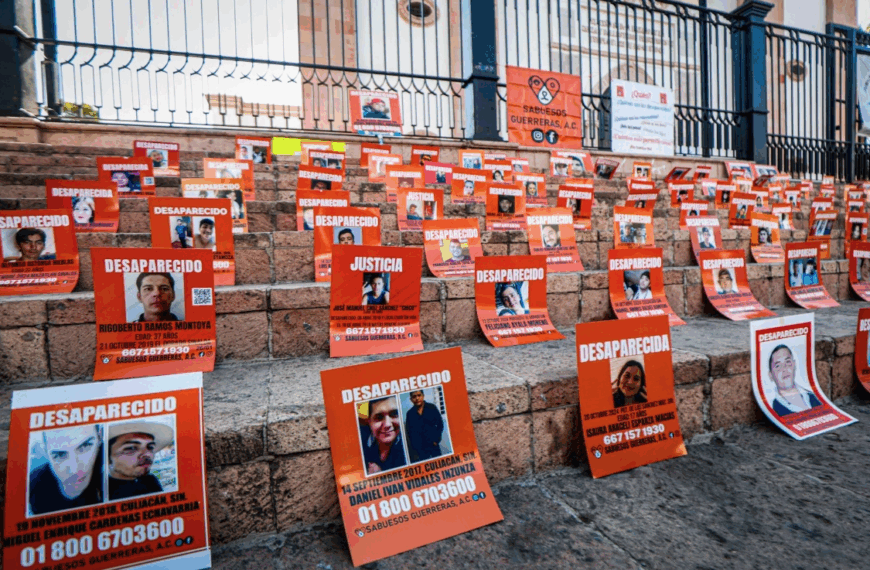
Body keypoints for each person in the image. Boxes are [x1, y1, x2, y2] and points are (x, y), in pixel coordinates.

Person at [28, 425, 103, 515]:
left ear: (100, 437)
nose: (74, 470)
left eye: (85, 446)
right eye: (59, 455)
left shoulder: (112, 468)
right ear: (46, 453)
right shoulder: (33, 485)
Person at [107, 421, 173, 500]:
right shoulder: (100, 492)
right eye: (131, 448)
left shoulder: (150, 481)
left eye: (150, 447)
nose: (148, 454)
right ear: (108, 457)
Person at [767, 345, 822, 416]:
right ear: (770, 375)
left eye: (787, 362)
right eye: (778, 366)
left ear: (794, 365)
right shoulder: (773, 407)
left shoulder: (811, 395)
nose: (784, 369)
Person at [362, 397, 406, 474]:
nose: (387, 424)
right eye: (379, 417)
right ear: (369, 422)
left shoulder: (410, 448)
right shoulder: (362, 445)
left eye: (394, 414)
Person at [404, 391, 445, 463]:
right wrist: (416, 448)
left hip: (433, 444)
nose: (417, 398)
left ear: (423, 396)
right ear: (411, 399)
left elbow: (440, 424)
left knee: (440, 463)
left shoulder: (431, 407)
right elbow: (409, 432)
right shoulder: (410, 414)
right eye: (414, 396)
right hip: (421, 449)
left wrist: (436, 440)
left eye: (419, 395)